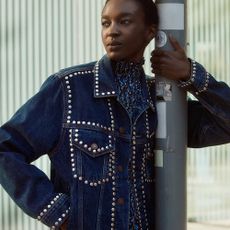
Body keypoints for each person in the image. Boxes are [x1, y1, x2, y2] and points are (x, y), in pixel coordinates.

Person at [0, 0, 230, 229]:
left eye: (125, 21)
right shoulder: (69, 88)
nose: (112, 31)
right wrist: (57, 212)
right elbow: (6, 148)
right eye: (105, 23)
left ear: (150, 32)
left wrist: (190, 74)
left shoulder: (161, 101)